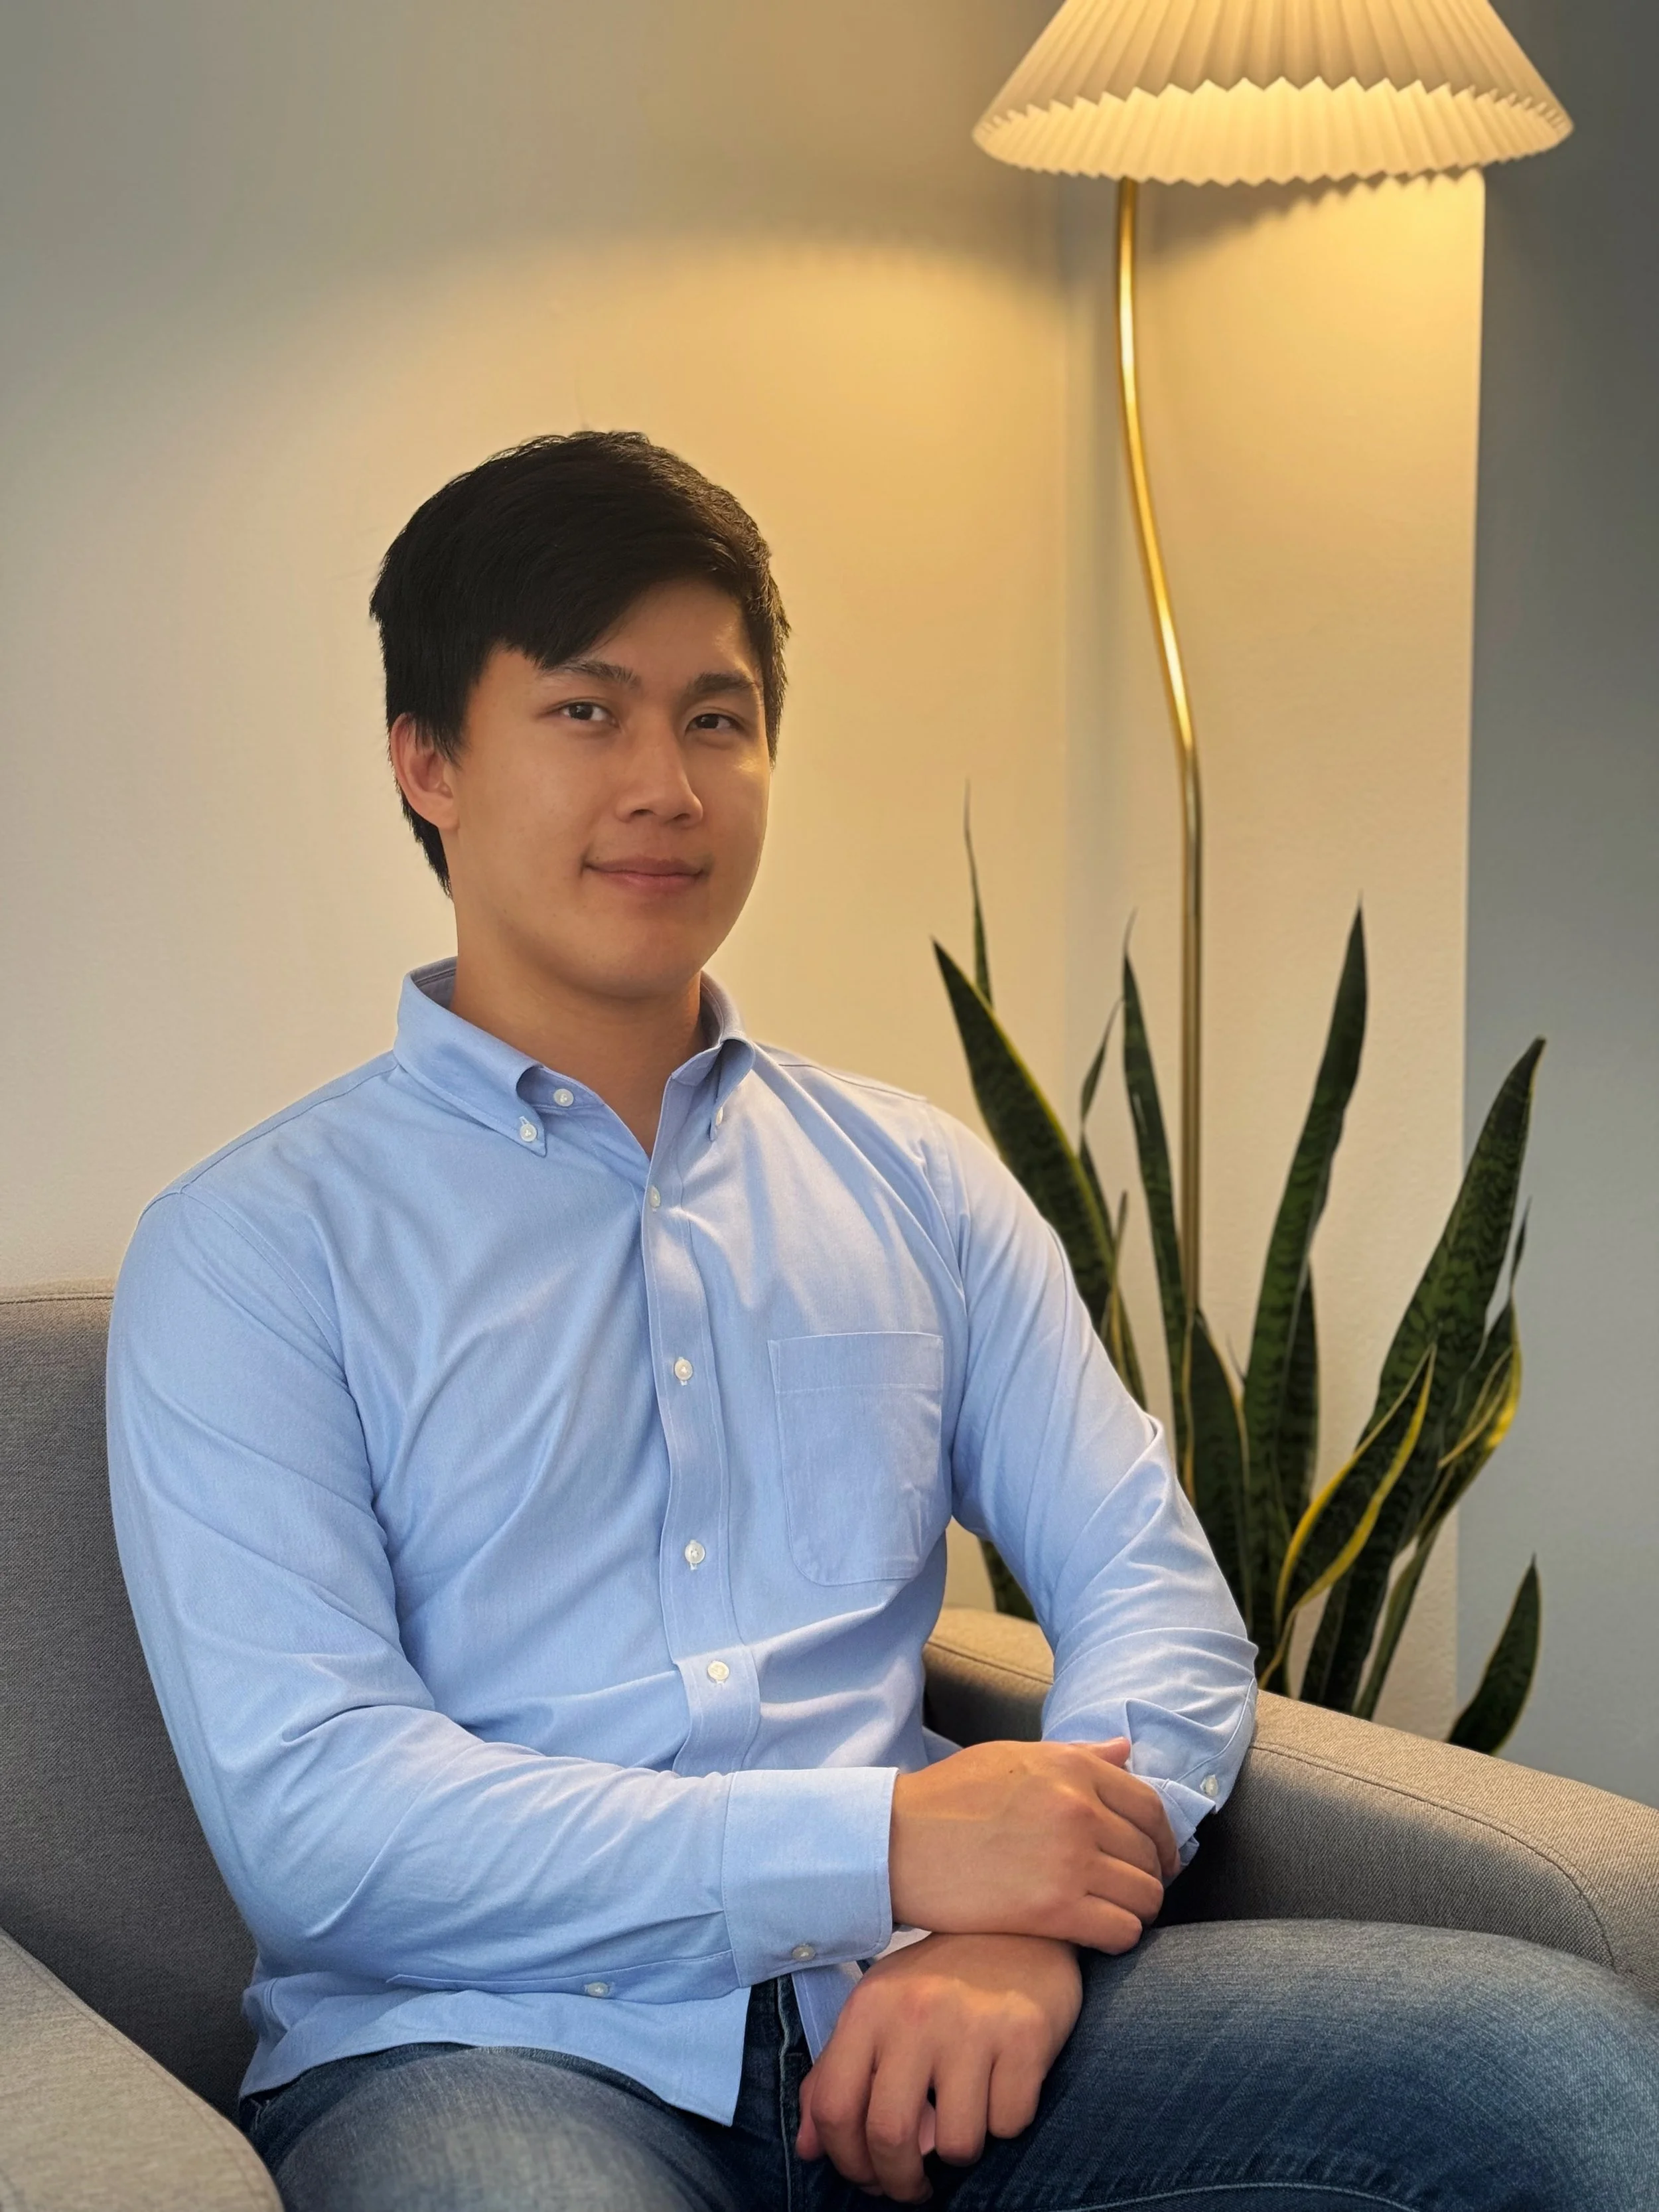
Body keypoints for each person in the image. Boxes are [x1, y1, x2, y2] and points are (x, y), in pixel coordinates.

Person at [108, 432, 1658, 2212]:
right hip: (496, 2043)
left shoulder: (908, 1176)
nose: (668, 786)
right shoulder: (251, 1250)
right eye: (587, 712)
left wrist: (1030, 1923)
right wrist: (887, 1846)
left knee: (1563, 2074)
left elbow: (1145, 1583)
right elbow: (323, 1827)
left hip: (942, 2006)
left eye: (716, 714)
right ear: (428, 759)